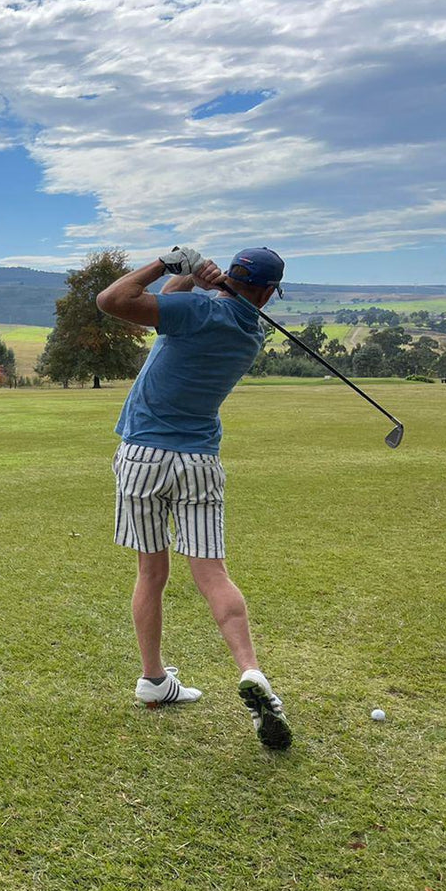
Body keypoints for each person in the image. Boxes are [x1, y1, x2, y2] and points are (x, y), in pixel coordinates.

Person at [95, 245, 292, 750]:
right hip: (199, 460)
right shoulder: (252, 331)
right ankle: (251, 670)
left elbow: (113, 300)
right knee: (212, 572)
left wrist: (168, 263)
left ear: (232, 274)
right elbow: (172, 307)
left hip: (141, 455)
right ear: (268, 294)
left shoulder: (199, 310)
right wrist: (195, 279)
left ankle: (153, 679)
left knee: (150, 572)